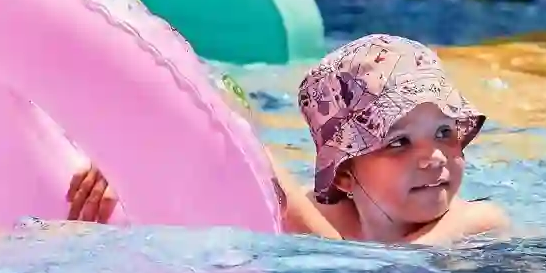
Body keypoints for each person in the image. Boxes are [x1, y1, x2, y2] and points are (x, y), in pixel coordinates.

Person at [66, 34, 511, 245]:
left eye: (445, 133)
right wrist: (127, 167)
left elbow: (389, 272)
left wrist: (254, 152)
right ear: (346, 174)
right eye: (397, 142)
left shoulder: (478, 223)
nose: (433, 157)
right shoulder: (313, 213)